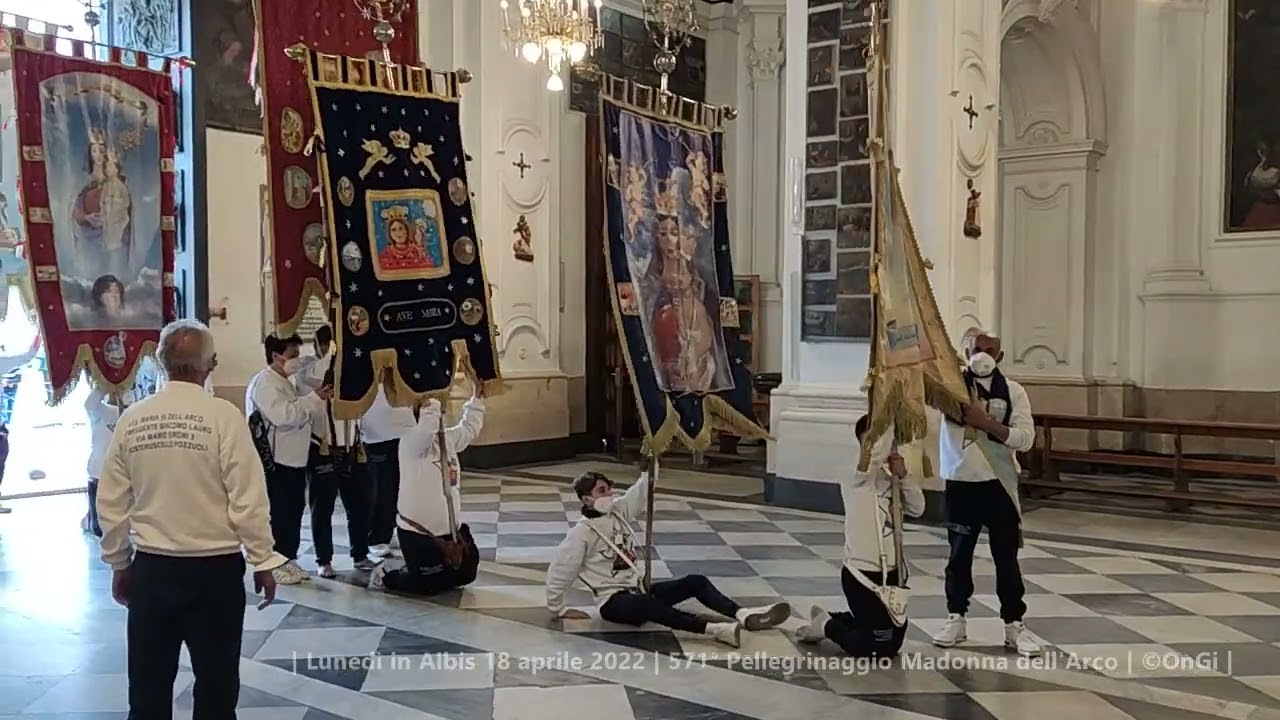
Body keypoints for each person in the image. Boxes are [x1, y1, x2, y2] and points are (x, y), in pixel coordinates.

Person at [96, 319, 286, 719]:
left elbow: (111, 500)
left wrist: (119, 562)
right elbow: (248, 498)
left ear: (162, 364)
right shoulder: (223, 418)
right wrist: (263, 561)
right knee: (216, 688)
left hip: (153, 570)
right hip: (214, 575)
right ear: (210, 365)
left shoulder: (134, 418)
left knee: (147, 689)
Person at [546, 469, 790, 648]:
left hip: (637, 589)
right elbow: (561, 570)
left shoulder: (617, 512)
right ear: (586, 499)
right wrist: (559, 608)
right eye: (602, 491)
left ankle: (742, 614)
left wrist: (649, 466)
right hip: (613, 602)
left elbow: (639, 493)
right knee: (649, 606)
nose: (609, 493)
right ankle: (713, 630)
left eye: (609, 488)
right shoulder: (581, 533)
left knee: (696, 581)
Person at [931, 330, 1040, 656]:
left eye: (990, 350)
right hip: (962, 482)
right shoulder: (950, 389)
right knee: (959, 556)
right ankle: (956, 618)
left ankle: (1013, 625)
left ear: (1001, 355)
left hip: (999, 483)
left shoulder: (1015, 392)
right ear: (967, 352)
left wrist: (987, 423)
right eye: (978, 349)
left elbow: (1025, 438)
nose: (984, 354)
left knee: (1006, 558)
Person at [795, 415, 923, 657]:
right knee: (876, 648)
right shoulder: (854, 475)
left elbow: (918, 508)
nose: (883, 447)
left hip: (893, 573)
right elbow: (873, 456)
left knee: (893, 642)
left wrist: (904, 474)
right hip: (861, 574)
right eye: (874, 441)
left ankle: (839, 618)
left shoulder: (891, 479)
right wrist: (889, 414)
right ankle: (826, 624)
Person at [370, 390, 485, 593]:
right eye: (435, 412)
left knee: (466, 575)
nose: (439, 415)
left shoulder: (446, 440)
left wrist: (478, 397)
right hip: (419, 534)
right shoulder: (411, 442)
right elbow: (427, 429)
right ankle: (386, 576)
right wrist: (432, 391)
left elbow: (469, 428)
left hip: (452, 531)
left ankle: (423, 569)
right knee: (428, 586)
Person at [246, 333, 329, 584]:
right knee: (280, 514)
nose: (297, 360)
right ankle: (275, 563)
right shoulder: (266, 383)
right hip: (277, 462)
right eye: (293, 354)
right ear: (276, 356)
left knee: (293, 512)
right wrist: (315, 399)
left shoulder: (286, 381)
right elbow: (285, 416)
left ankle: (288, 559)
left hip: (294, 460)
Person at [295, 325, 377, 578]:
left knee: (361, 505)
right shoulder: (308, 370)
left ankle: (360, 554)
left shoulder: (353, 370)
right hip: (323, 449)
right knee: (322, 510)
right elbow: (317, 375)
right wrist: (335, 351)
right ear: (321, 347)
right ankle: (324, 560)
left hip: (353, 447)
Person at [363, 383, 416, 558]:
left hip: (405, 431)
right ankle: (376, 537)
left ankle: (394, 527)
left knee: (401, 488)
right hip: (377, 434)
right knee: (380, 490)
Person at [83, 387, 128, 537]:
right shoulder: (99, 411)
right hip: (99, 473)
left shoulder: (133, 412)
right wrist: (107, 381)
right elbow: (90, 403)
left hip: (124, 474)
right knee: (100, 528)